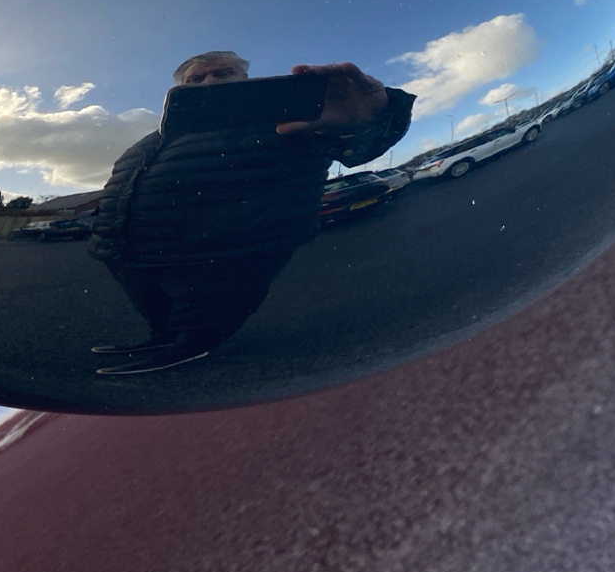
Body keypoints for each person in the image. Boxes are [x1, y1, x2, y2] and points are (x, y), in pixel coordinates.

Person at [87, 51, 414, 375]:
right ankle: (162, 338)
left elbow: (352, 142)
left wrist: (372, 117)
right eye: (196, 78)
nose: (209, 82)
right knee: (154, 304)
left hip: (224, 251)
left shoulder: (282, 119)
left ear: (244, 79)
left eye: (222, 73)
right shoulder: (158, 135)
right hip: (126, 250)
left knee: (205, 310)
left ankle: (190, 348)